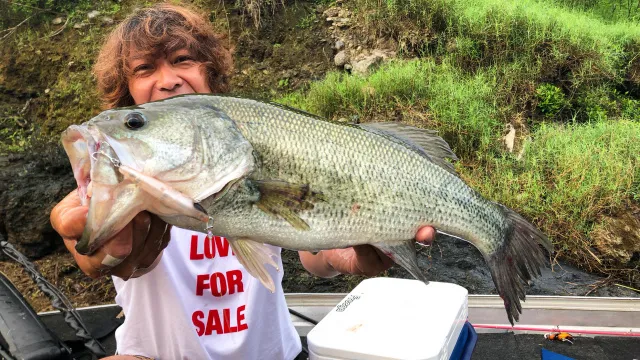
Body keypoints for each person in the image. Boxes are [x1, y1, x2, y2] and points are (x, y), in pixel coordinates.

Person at [50, 3, 436, 359]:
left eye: (182, 60)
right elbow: (94, 247)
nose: (167, 80)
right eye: (144, 69)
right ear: (128, 93)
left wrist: (344, 255)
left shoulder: (253, 150)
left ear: (209, 72)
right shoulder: (117, 190)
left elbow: (311, 250)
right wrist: (98, 251)